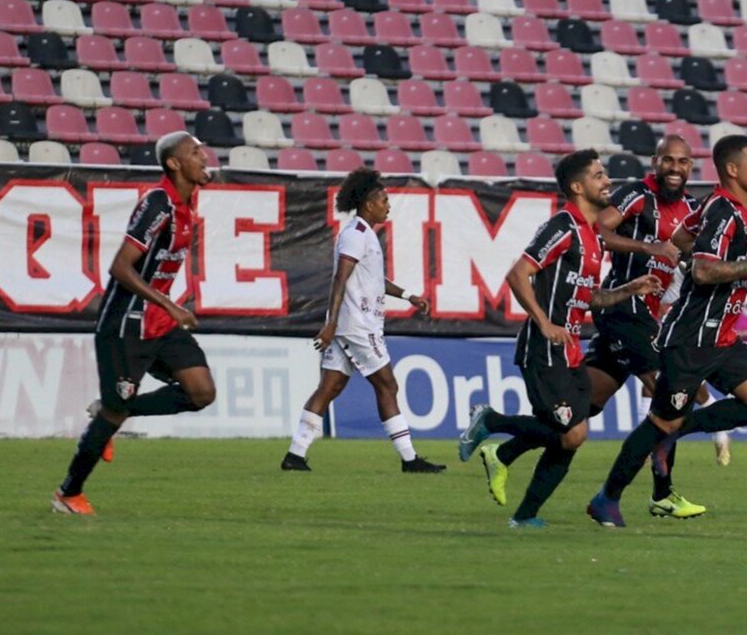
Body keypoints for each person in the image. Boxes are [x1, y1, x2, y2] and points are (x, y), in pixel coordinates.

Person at [587, 134, 747, 527]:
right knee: (659, 422)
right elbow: (704, 270)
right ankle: (606, 498)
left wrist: (673, 262)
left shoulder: (714, 205)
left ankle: (675, 437)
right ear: (733, 169)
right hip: (692, 339)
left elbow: (679, 240)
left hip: (723, 337)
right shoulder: (725, 212)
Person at [458, 149, 661, 528]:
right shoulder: (563, 227)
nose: (608, 182)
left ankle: (524, 515)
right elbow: (518, 273)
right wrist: (544, 322)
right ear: (577, 186)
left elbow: (591, 297)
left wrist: (628, 289)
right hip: (544, 348)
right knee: (570, 432)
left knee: (570, 437)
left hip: (569, 351)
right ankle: (491, 421)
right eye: (599, 176)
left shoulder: (594, 237)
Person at [52, 131, 217, 515]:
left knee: (201, 393)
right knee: (114, 412)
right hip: (125, 325)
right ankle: (68, 493)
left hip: (159, 321)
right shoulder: (158, 203)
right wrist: (170, 304)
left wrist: (168, 308)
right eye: (195, 152)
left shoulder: (187, 202)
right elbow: (120, 267)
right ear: (174, 163)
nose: (204, 156)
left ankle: (116, 407)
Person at [280, 168, 445, 474]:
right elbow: (340, 280)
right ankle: (409, 459)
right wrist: (331, 324)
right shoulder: (356, 236)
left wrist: (408, 295)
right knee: (387, 385)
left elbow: (372, 279)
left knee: (329, 388)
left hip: (350, 324)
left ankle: (295, 455)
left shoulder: (362, 234)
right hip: (357, 326)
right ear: (369, 204)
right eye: (384, 199)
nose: (388, 205)